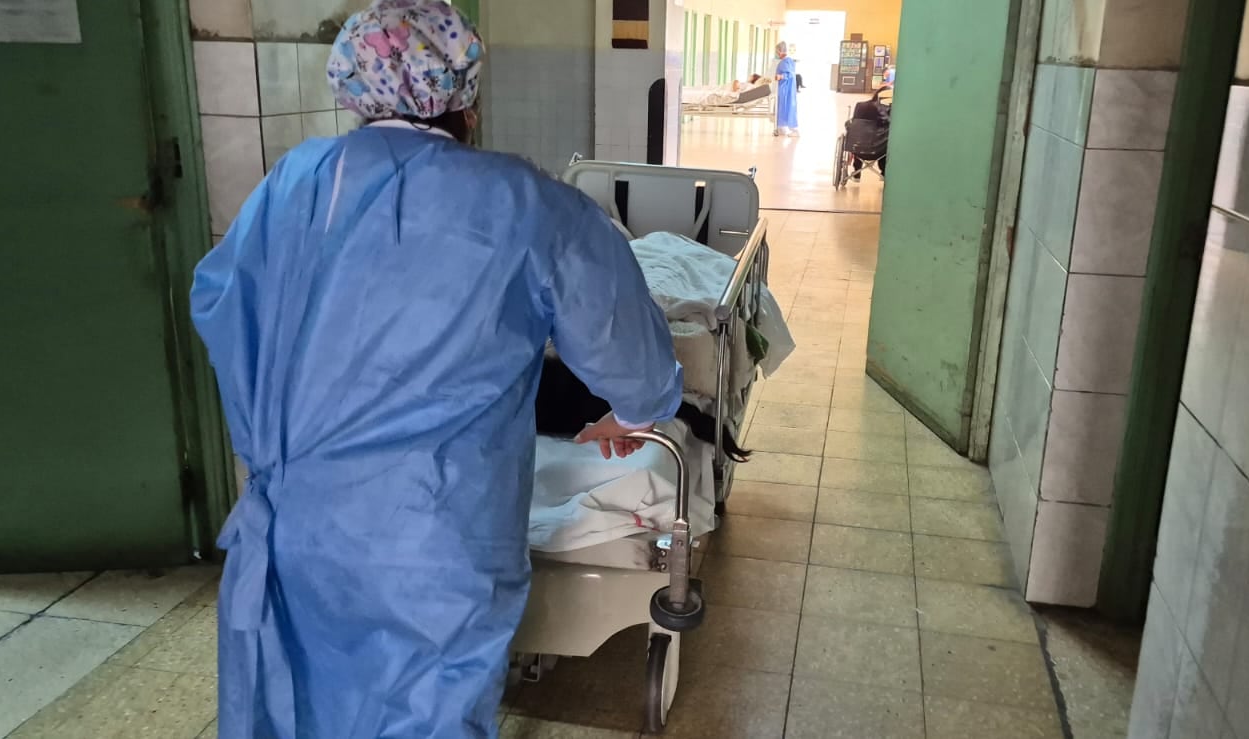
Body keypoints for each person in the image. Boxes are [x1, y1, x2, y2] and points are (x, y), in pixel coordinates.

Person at [189, 1, 684, 736]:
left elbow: (223, 309)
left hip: (299, 529)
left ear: (354, 88)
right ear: (466, 101)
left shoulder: (294, 184)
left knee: (305, 705)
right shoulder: (525, 202)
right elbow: (623, 340)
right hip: (436, 537)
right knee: (426, 716)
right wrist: (635, 409)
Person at [848, 86, 891, 179]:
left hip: (859, 150)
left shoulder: (860, 105)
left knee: (858, 136)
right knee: (886, 139)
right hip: (880, 151)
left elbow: (854, 125)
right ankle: (884, 172)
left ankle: (856, 173)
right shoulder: (890, 111)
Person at [772, 42, 800, 137]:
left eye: (777, 51)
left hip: (786, 89)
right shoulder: (786, 61)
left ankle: (795, 130)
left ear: (780, 51)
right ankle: (782, 128)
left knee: (787, 108)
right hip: (784, 88)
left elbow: (790, 74)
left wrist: (781, 76)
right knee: (782, 108)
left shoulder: (786, 61)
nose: (776, 53)